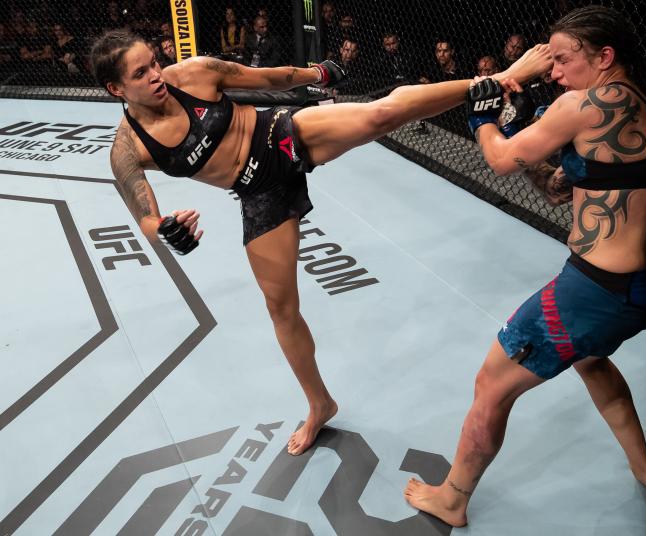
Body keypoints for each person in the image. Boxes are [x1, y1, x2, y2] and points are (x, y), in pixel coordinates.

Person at [89, 29, 551, 456]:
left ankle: (496, 81)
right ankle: (320, 406)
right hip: (258, 193)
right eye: (140, 73)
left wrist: (318, 73)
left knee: (381, 114)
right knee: (281, 310)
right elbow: (145, 216)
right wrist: (168, 230)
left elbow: (273, 78)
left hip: (280, 136)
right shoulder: (129, 149)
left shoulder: (191, 74)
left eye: (153, 62)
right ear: (116, 89)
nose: (156, 76)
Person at [405, 6, 646, 526]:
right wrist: (524, 120)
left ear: (604, 57)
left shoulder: (588, 102)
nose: (554, 71)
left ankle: (453, 498)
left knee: (492, 382)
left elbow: (502, 160)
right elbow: (558, 190)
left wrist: (484, 117)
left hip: (598, 290)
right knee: (590, 359)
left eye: (563, 59)